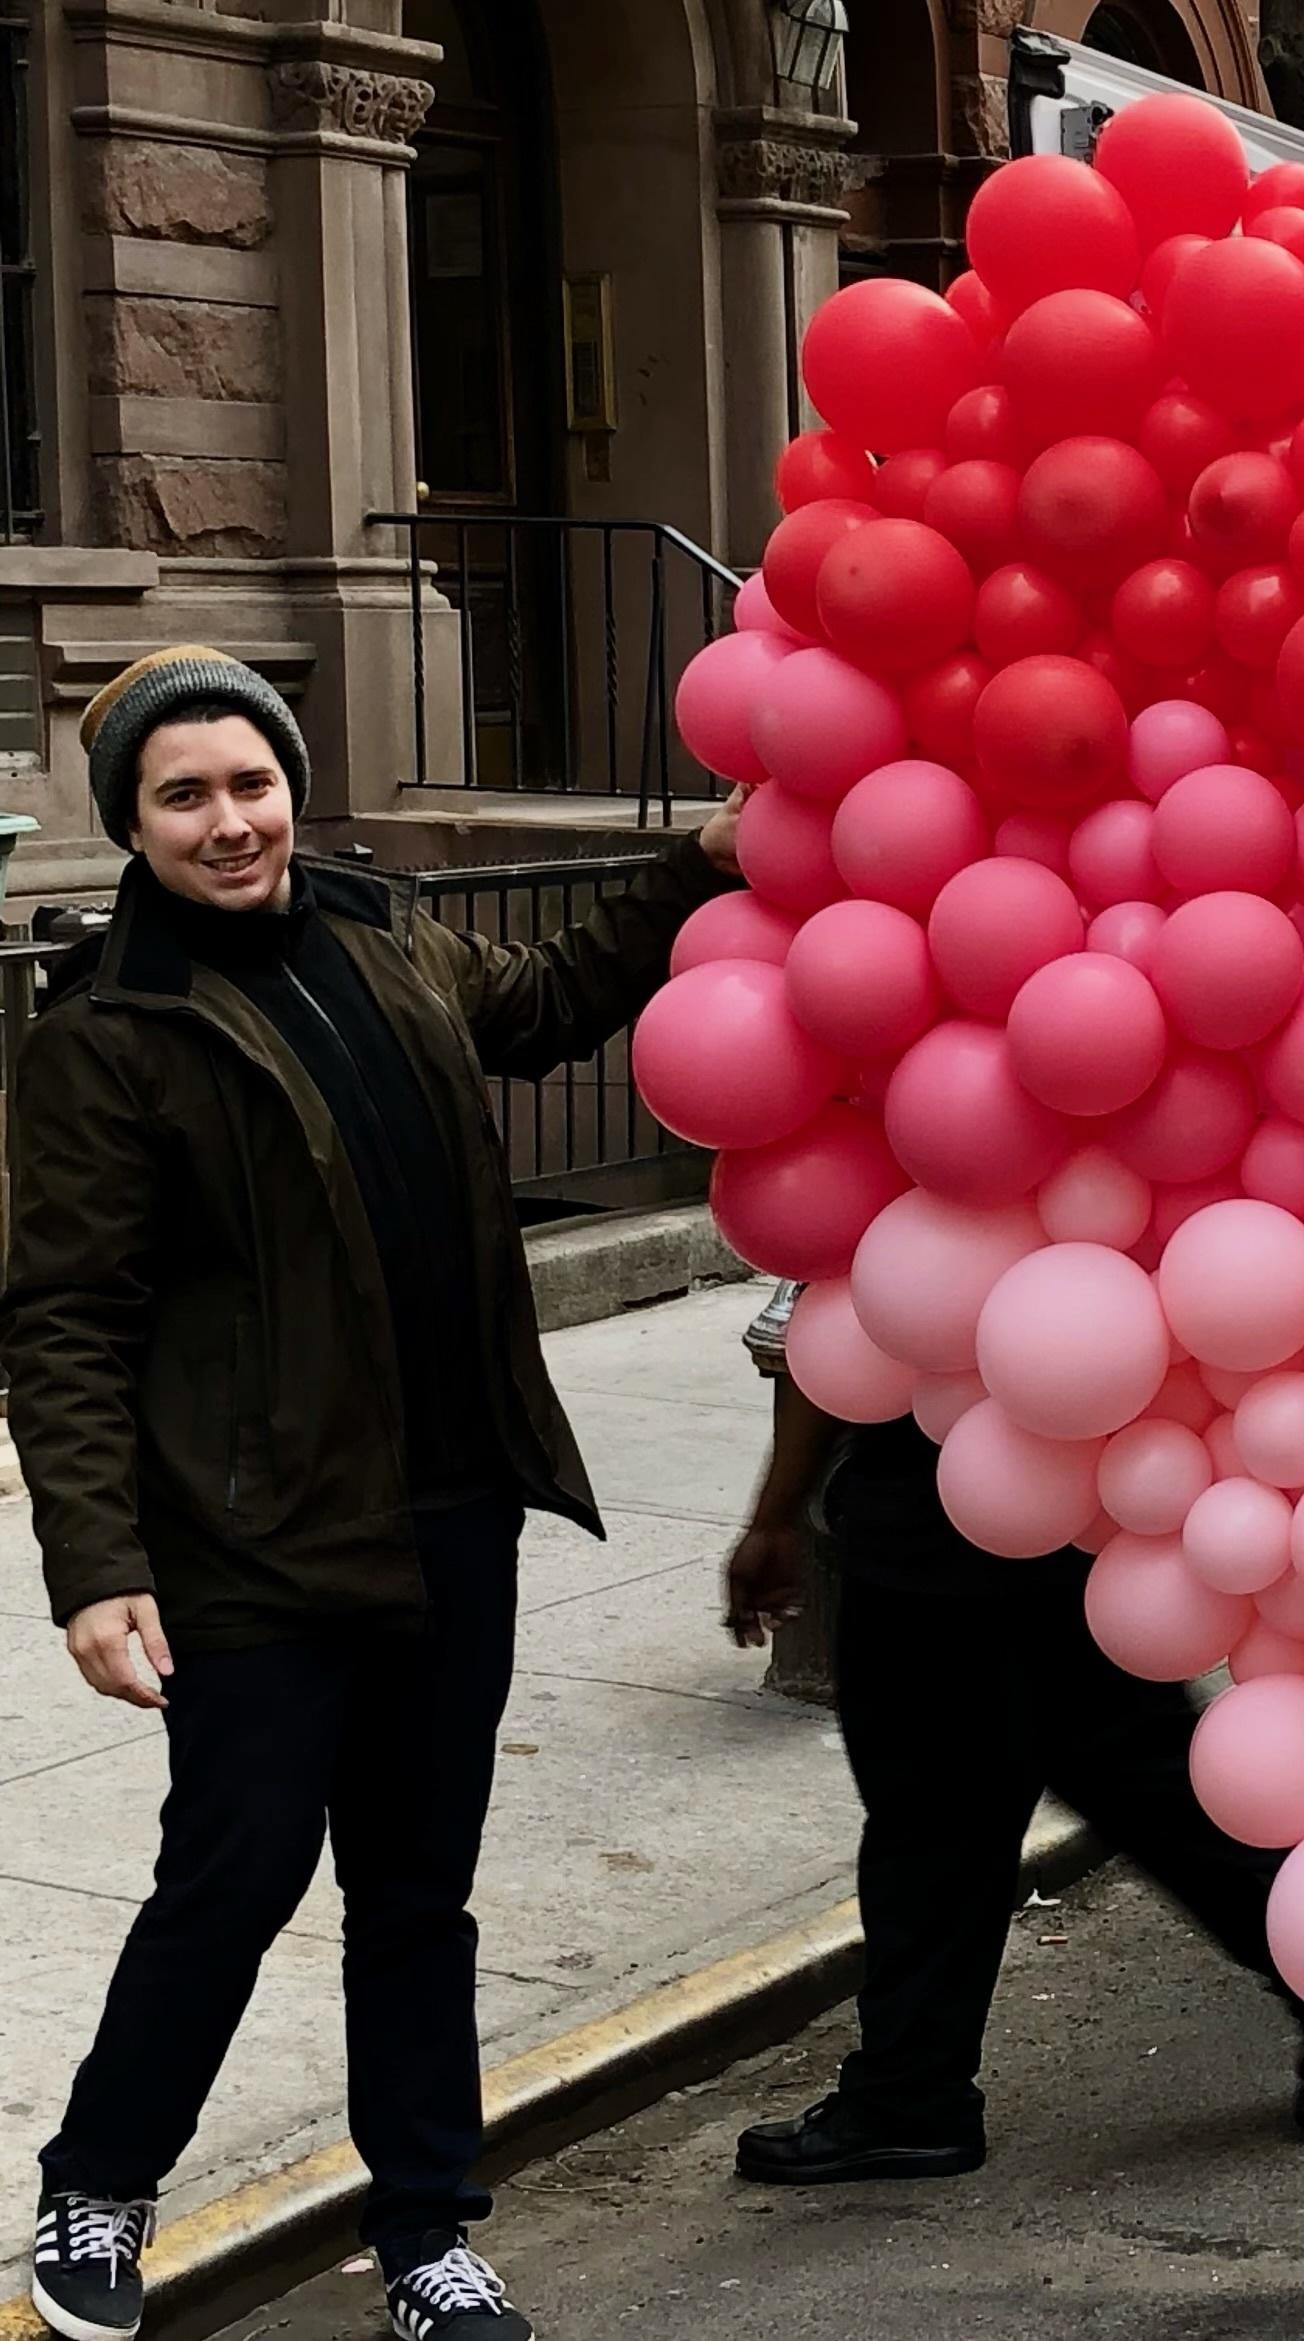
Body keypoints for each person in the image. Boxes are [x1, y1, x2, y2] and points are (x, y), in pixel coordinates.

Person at [5, 647, 743, 2341]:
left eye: (248, 782)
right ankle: (99, 2183)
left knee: (419, 1891)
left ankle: (425, 2235)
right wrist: (94, 1562)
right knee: (236, 1874)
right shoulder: (110, 1031)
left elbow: (549, 1003)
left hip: (449, 1508)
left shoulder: (380, 929)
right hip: (254, 1538)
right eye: (182, 795)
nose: (228, 821)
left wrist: (684, 872)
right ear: (129, 821)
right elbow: (67, 1322)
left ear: (289, 785)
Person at [719, 1305, 1304, 2181]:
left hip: (1062, 1473)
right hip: (927, 1495)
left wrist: (778, 1513)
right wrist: (778, 1511)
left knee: (1119, 1768)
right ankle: (910, 2093)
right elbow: (825, 1316)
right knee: (948, 1806)